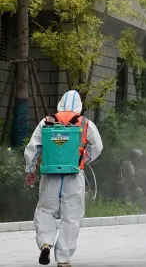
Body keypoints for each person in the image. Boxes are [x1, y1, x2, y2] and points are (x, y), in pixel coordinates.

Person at [23, 90, 104, 266]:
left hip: (50, 174)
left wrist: (30, 170)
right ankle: (63, 258)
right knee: (72, 216)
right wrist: (81, 159)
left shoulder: (46, 121)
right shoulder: (85, 123)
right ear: (79, 106)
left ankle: (46, 243)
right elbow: (97, 147)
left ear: (60, 104)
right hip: (74, 175)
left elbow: (32, 148)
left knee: (45, 210)